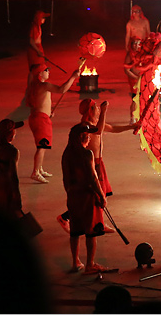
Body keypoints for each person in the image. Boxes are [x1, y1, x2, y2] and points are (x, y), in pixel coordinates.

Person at [57, 99, 137, 234]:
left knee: (101, 192)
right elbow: (99, 131)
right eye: (97, 107)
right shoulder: (86, 125)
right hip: (92, 162)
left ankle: (97, 221)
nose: (99, 109)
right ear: (91, 110)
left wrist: (132, 126)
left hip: (99, 161)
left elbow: (112, 128)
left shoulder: (95, 122)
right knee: (96, 194)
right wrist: (105, 112)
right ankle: (69, 218)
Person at [61, 122, 109, 274]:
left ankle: (75, 262)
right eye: (88, 136)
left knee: (75, 230)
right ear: (83, 137)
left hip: (73, 195)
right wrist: (101, 195)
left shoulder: (67, 153)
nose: (89, 139)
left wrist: (70, 193)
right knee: (91, 230)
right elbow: (92, 178)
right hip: (87, 196)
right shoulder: (87, 154)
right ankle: (90, 264)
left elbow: (66, 179)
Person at [27, 62, 81, 183]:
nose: (48, 72)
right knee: (42, 146)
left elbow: (38, 103)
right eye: (46, 70)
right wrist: (73, 77)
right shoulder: (43, 85)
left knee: (43, 145)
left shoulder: (34, 85)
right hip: (40, 119)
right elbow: (61, 89)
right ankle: (35, 172)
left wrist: (47, 112)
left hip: (39, 117)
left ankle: (39, 168)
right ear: (40, 73)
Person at [0, 119, 25, 219]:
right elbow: (13, 176)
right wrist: (17, 197)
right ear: (11, 134)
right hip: (7, 191)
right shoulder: (12, 151)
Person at [124, 5, 150, 123]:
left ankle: (145, 115)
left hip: (144, 50)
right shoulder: (130, 23)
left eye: (137, 11)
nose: (135, 13)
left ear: (140, 12)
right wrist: (128, 49)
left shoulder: (145, 22)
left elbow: (148, 34)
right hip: (135, 54)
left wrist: (148, 47)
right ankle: (132, 117)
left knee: (145, 95)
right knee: (135, 97)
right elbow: (128, 36)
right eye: (133, 11)